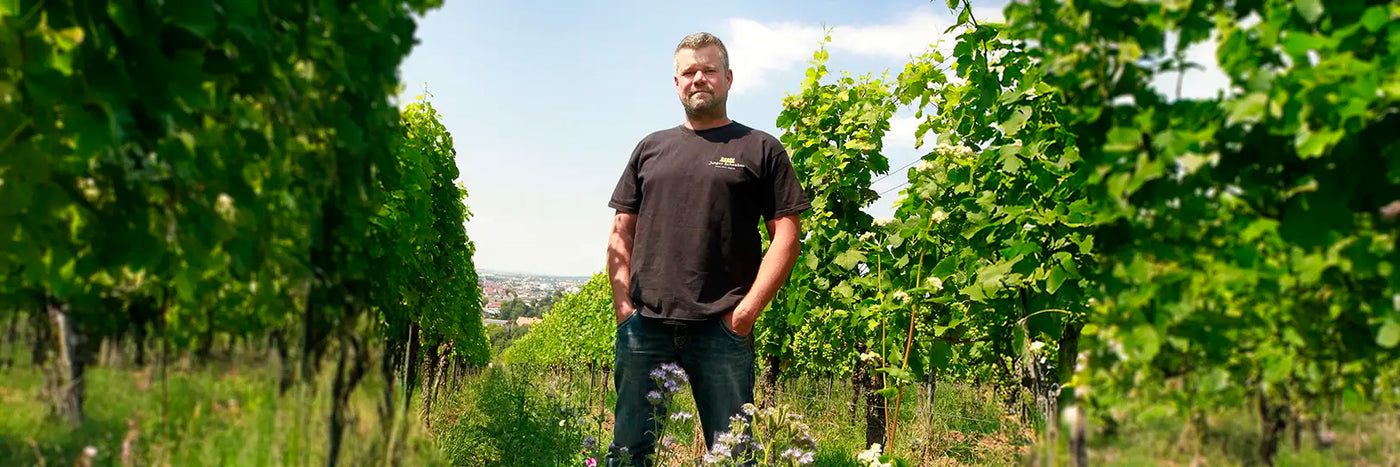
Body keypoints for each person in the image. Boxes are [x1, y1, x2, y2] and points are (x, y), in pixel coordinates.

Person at [604, 31, 810, 465]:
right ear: (676, 83)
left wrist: (744, 315)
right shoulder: (649, 148)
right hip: (646, 328)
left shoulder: (760, 148)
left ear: (728, 78)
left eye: (709, 70)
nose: (698, 78)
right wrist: (625, 309)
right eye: (689, 72)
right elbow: (621, 232)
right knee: (628, 453)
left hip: (722, 329)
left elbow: (787, 238)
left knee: (733, 454)